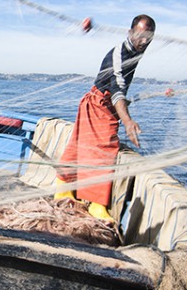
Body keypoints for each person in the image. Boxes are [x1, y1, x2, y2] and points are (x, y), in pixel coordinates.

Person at [54, 15, 156, 221]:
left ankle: (64, 189)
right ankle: (97, 205)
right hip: (99, 103)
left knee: (79, 144)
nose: (144, 42)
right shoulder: (118, 54)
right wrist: (127, 122)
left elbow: (120, 91)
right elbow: (117, 87)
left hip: (106, 103)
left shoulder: (137, 49)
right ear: (130, 32)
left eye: (149, 38)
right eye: (141, 36)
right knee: (104, 147)